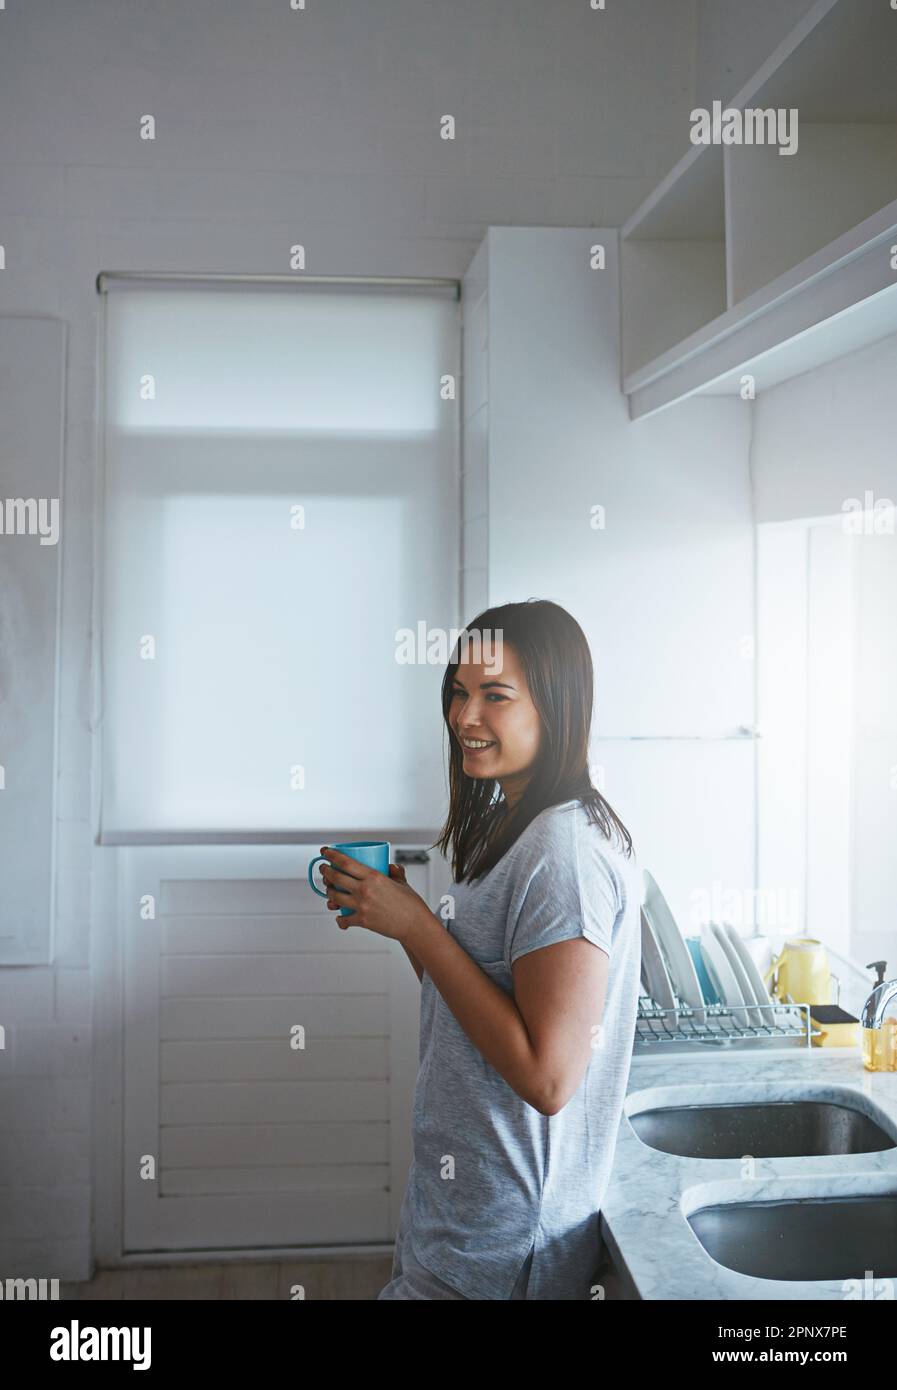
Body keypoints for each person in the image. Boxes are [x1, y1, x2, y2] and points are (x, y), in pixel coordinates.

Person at [317, 599, 642, 1299]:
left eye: (495, 695)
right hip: (461, 1213)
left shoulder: (563, 851)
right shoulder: (506, 826)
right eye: (458, 693)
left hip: (505, 1239)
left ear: (555, 706)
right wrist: (401, 916)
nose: (465, 717)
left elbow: (547, 1078)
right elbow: (480, 1003)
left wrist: (419, 928)